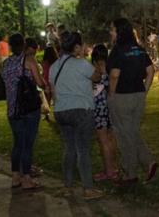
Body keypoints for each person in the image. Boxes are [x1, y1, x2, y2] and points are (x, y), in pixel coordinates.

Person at [49, 31, 104, 200]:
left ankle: (68, 186)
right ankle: (88, 189)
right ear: (77, 47)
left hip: (61, 111)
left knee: (69, 148)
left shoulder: (54, 66)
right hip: (81, 110)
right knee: (83, 150)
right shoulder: (82, 64)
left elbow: (53, 91)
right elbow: (97, 76)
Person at [107, 18, 158, 185]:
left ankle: (132, 172)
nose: (110, 32)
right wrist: (145, 90)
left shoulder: (118, 50)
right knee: (132, 132)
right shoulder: (140, 49)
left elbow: (114, 74)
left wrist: (111, 95)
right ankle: (146, 164)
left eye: (112, 29)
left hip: (122, 95)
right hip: (138, 95)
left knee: (124, 135)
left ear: (119, 31)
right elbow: (151, 71)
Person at [1, 34, 46, 190]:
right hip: (28, 108)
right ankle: (27, 178)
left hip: (13, 109)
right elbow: (40, 82)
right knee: (28, 144)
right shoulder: (29, 61)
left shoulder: (5, 64)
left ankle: (15, 177)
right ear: (24, 45)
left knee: (18, 143)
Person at [91, 43, 118, 181]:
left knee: (103, 141)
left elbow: (93, 83)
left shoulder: (96, 69)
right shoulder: (110, 67)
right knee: (110, 139)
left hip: (99, 107)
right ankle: (113, 167)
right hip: (110, 106)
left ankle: (109, 171)